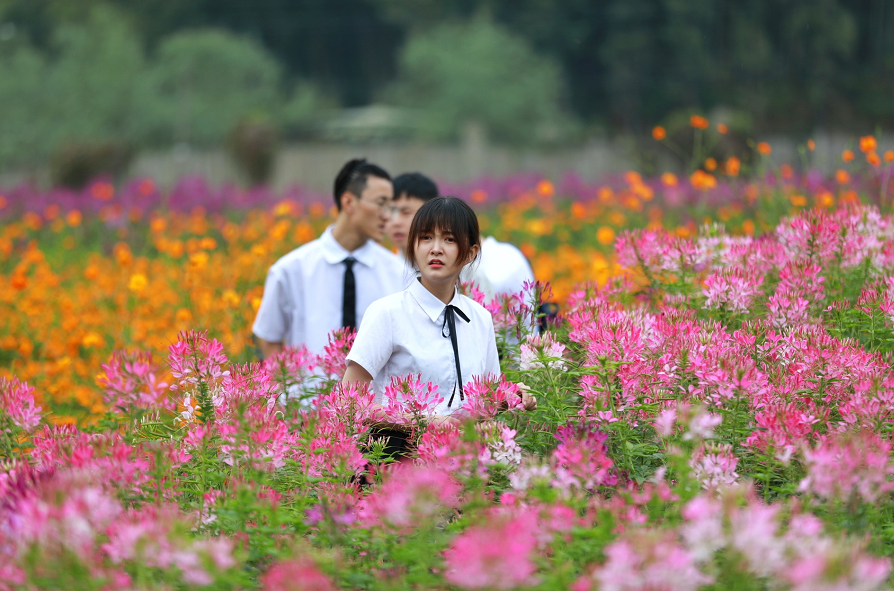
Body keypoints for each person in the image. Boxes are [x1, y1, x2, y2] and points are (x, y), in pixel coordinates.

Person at [344, 197, 535, 426]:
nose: (436, 249)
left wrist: (507, 397)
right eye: (426, 238)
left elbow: (484, 404)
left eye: (449, 239)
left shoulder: (480, 318)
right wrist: (424, 423)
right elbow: (349, 400)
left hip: (463, 457)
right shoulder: (386, 313)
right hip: (397, 457)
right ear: (413, 248)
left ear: (470, 253)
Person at [253, 158, 404, 359]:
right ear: (348, 202)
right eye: (381, 203)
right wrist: (286, 387)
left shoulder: (398, 273)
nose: (387, 216)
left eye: (390, 207)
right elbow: (269, 339)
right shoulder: (290, 270)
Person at [384, 173, 532, 300]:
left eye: (406, 212)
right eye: (391, 211)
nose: (395, 222)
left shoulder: (502, 261)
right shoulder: (390, 265)